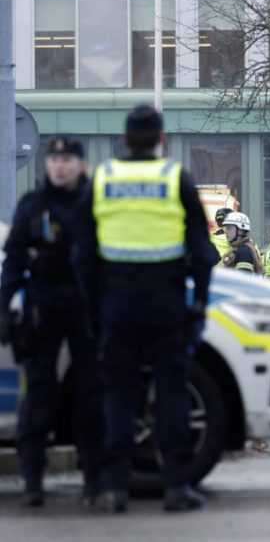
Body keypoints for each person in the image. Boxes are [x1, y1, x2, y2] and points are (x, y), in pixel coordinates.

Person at [76, 105, 218, 512]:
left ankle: (115, 487)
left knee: (118, 394)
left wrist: (93, 307)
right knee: (171, 393)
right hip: (166, 302)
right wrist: (200, 303)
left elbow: (83, 253)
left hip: (116, 304)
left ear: (124, 138)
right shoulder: (175, 179)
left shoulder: (103, 178)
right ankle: (175, 486)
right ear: (160, 139)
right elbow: (202, 253)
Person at [0, 137, 104, 508]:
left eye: (67, 159)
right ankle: (33, 481)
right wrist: (2, 309)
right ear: (47, 165)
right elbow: (13, 261)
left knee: (90, 397)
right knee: (38, 397)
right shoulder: (33, 205)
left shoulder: (95, 203)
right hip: (42, 310)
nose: (60, 166)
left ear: (80, 164)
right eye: (55, 159)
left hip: (85, 309)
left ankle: (93, 481)